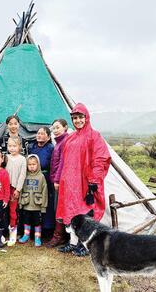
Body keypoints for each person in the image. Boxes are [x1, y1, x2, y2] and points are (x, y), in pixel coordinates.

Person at [56, 103, 111, 256]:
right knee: (71, 214)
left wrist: (93, 182)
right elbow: (64, 161)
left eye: (81, 117)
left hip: (85, 184)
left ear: (86, 118)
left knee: (85, 215)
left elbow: (100, 159)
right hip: (70, 185)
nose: (78, 120)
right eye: (75, 118)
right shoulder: (71, 138)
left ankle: (85, 245)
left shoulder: (95, 136)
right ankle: (73, 243)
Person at [45, 119, 69, 248]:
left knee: (59, 208)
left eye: (58, 127)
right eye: (53, 128)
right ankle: (61, 235)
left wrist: (57, 180)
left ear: (65, 128)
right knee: (57, 208)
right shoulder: (59, 142)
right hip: (56, 180)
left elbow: (62, 163)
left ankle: (59, 236)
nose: (55, 130)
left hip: (60, 181)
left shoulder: (65, 142)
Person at [28, 127, 55, 237]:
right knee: (33, 201)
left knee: (46, 202)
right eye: (38, 133)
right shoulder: (32, 147)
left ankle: (47, 229)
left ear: (48, 137)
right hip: (33, 178)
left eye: (42, 134)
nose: (39, 135)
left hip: (46, 177)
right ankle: (33, 228)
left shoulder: (51, 148)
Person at [18, 155, 48, 247]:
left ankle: (37, 237)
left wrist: (43, 207)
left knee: (37, 222)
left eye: (34, 164)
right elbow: (21, 189)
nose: (31, 166)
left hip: (37, 206)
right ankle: (26, 235)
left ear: (38, 165)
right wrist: (20, 203)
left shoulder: (41, 177)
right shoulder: (24, 176)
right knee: (26, 221)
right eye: (29, 164)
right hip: (26, 205)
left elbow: (45, 191)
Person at [5, 136, 27, 246]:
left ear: (19, 147)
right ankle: (3, 232)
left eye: (14, 146)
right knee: (3, 209)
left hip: (15, 188)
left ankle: (13, 232)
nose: (12, 148)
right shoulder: (5, 157)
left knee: (13, 210)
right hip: (5, 188)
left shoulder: (22, 159)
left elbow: (22, 175)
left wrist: (18, 189)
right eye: (10, 146)